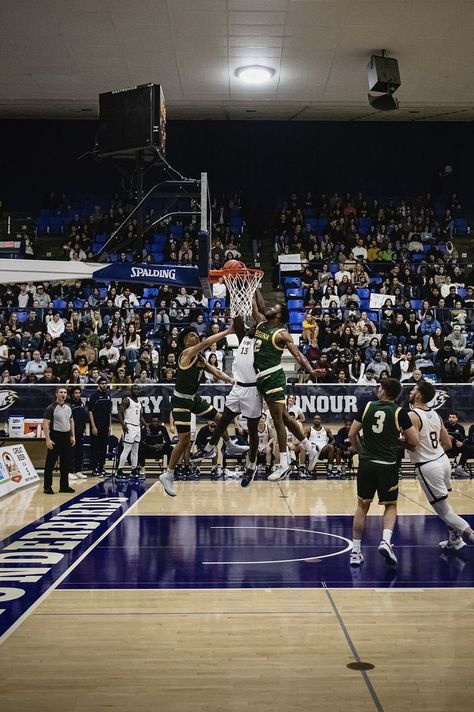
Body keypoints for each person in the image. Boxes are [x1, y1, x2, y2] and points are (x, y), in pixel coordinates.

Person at [159, 324, 237, 497]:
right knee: (185, 439)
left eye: (196, 334)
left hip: (192, 398)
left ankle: (229, 445)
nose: (196, 336)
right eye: (192, 335)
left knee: (220, 418)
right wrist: (228, 331)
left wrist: (231, 380)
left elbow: (216, 371)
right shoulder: (186, 354)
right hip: (180, 400)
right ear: (185, 341)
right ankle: (168, 474)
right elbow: (208, 342)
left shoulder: (200, 358)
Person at [349, 377, 419, 567]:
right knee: (390, 505)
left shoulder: (367, 407)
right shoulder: (400, 412)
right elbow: (414, 441)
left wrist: (361, 451)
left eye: (379, 387)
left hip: (367, 463)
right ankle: (386, 541)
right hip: (387, 464)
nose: (377, 389)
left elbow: (351, 434)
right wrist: (398, 441)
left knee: (362, 506)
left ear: (383, 391)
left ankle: (355, 553)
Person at [251, 290, 319, 481]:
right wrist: (254, 287)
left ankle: (284, 464)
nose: (270, 308)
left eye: (275, 307)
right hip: (261, 378)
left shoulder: (281, 334)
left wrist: (311, 371)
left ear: (279, 314)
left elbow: (298, 355)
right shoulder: (261, 324)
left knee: (277, 420)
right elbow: (256, 306)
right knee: (283, 417)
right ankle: (309, 447)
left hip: (273, 378)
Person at [407, 380, 474, 550]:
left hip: (428, 466)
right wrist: (433, 453)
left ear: (419, 395)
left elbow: (413, 444)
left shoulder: (412, 415)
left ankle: (470, 535)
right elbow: (448, 444)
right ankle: (454, 540)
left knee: (444, 511)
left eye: (414, 389)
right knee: (445, 506)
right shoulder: (436, 415)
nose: (411, 391)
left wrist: (398, 443)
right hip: (443, 462)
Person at [42, 386, 76, 495]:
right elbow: (45, 424)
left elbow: (71, 422)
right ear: (56, 394)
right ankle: (47, 487)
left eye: (65, 392)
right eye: (61, 392)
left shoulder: (69, 407)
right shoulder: (51, 408)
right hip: (55, 436)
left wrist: (72, 436)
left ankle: (64, 486)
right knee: (50, 463)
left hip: (66, 436)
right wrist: (48, 439)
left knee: (65, 463)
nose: (63, 394)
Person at [116, 384, 149, 480]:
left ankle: (134, 470)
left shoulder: (139, 402)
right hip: (129, 426)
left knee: (135, 450)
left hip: (137, 427)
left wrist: (146, 425)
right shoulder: (127, 400)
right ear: (131, 390)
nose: (136, 391)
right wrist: (123, 425)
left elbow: (141, 416)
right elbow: (119, 412)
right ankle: (119, 470)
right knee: (127, 449)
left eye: (138, 389)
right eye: (134, 389)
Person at [88, 377, 112, 476]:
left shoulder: (108, 396)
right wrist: (93, 426)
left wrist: (110, 426)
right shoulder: (94, 397)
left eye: (105, 383)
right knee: (95, 447)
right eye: (102, 383)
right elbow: (90, 412)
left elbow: (109, 412)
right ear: (98, 385)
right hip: (96, 426)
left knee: (103, 447)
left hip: (105, 426)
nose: (104, 385)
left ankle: (102, 467)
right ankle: (94, 468)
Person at [307, 414, 341, 478]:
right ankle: (308, 470)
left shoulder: (326, 429)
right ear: (313, 420)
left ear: (321, 420)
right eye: (315, 419)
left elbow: (333, 440)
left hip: (323, 449)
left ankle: (329, 469)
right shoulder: (309, 429)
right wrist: (310, 446)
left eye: (318, 419)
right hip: (313, 449)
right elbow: (305, 440)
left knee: (331, 447)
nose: (316, 420)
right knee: (311, 449)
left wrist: (330, 444)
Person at [69, 386, 88, 481]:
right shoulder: (69, 404)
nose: (78, 394)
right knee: (71, 452)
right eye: (76, 393)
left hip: (80, 431)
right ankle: (69, 471)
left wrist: (84, 427)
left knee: (79, 452)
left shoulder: (81, 403)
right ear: (72, 394)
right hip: (72, 431)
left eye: (79, 393)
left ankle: (78, 470)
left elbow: (84, 416)